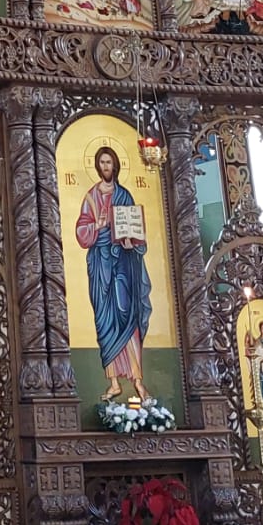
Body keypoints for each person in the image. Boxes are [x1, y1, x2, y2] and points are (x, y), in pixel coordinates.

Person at [75, 145, 151, 401]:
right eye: (102, 163)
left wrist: (131, 242)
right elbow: (82, 231)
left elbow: (134, 227)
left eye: (109, 162)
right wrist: (97, 226)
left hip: (123, 265)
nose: (106, 166)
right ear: (97, 166)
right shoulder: (91, 197)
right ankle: (114, 382)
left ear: (115, 165)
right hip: (100, 265)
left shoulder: (124, 195)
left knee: (128, 316)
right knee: (105, 320)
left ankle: (137, 380)